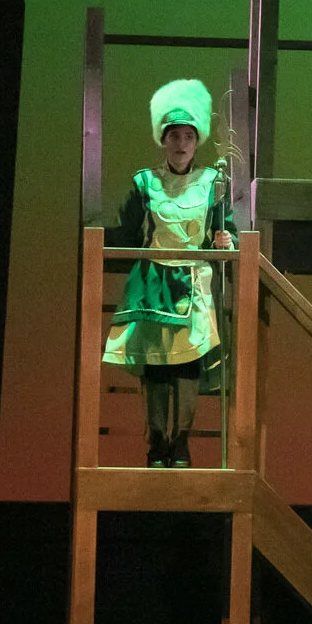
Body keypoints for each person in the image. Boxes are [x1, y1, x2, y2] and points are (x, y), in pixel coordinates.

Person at [102, 79, 236, 468]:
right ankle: (157, 442)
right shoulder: (146, 182)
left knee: (187, 365)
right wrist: (90, 236)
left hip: (193, 281)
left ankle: (182, 443)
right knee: (157, 365)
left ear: (197, 142)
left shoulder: (212, 183)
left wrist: (225, 239)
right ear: (164, 140)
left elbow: (224, 229)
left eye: (188, 136)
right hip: (153, 282)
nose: (181, 143)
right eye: (174, 136)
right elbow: (127, 232)